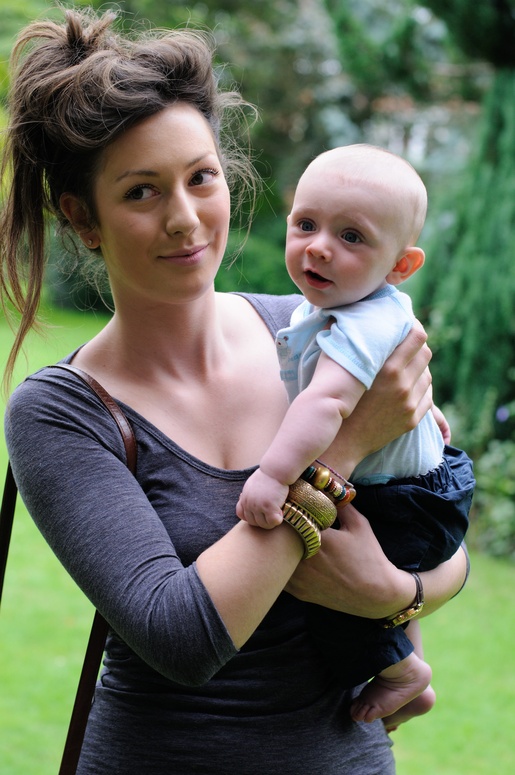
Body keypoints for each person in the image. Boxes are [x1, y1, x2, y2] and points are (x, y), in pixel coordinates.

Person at [1, 8, 470, 774]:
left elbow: (441, 524)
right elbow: (182, 637)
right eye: (142, 192)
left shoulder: (313, 330)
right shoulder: (62, 412)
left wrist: (394, 592)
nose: (184, 219)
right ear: (83, 218)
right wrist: (343, 446)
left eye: (200, 178)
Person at [237, 145, 474, 727]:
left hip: (406, 499)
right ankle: (411, 667)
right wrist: (428, 413)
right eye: (306, 224)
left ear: (401, 266)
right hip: (418, 483)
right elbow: (396, 378)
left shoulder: (359, 320)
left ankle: (402, 672)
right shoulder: (343, 308)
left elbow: (328, 402)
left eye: (351, 237)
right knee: (380, 562)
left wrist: (274, 475)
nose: (319, 246)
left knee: (332, 590)